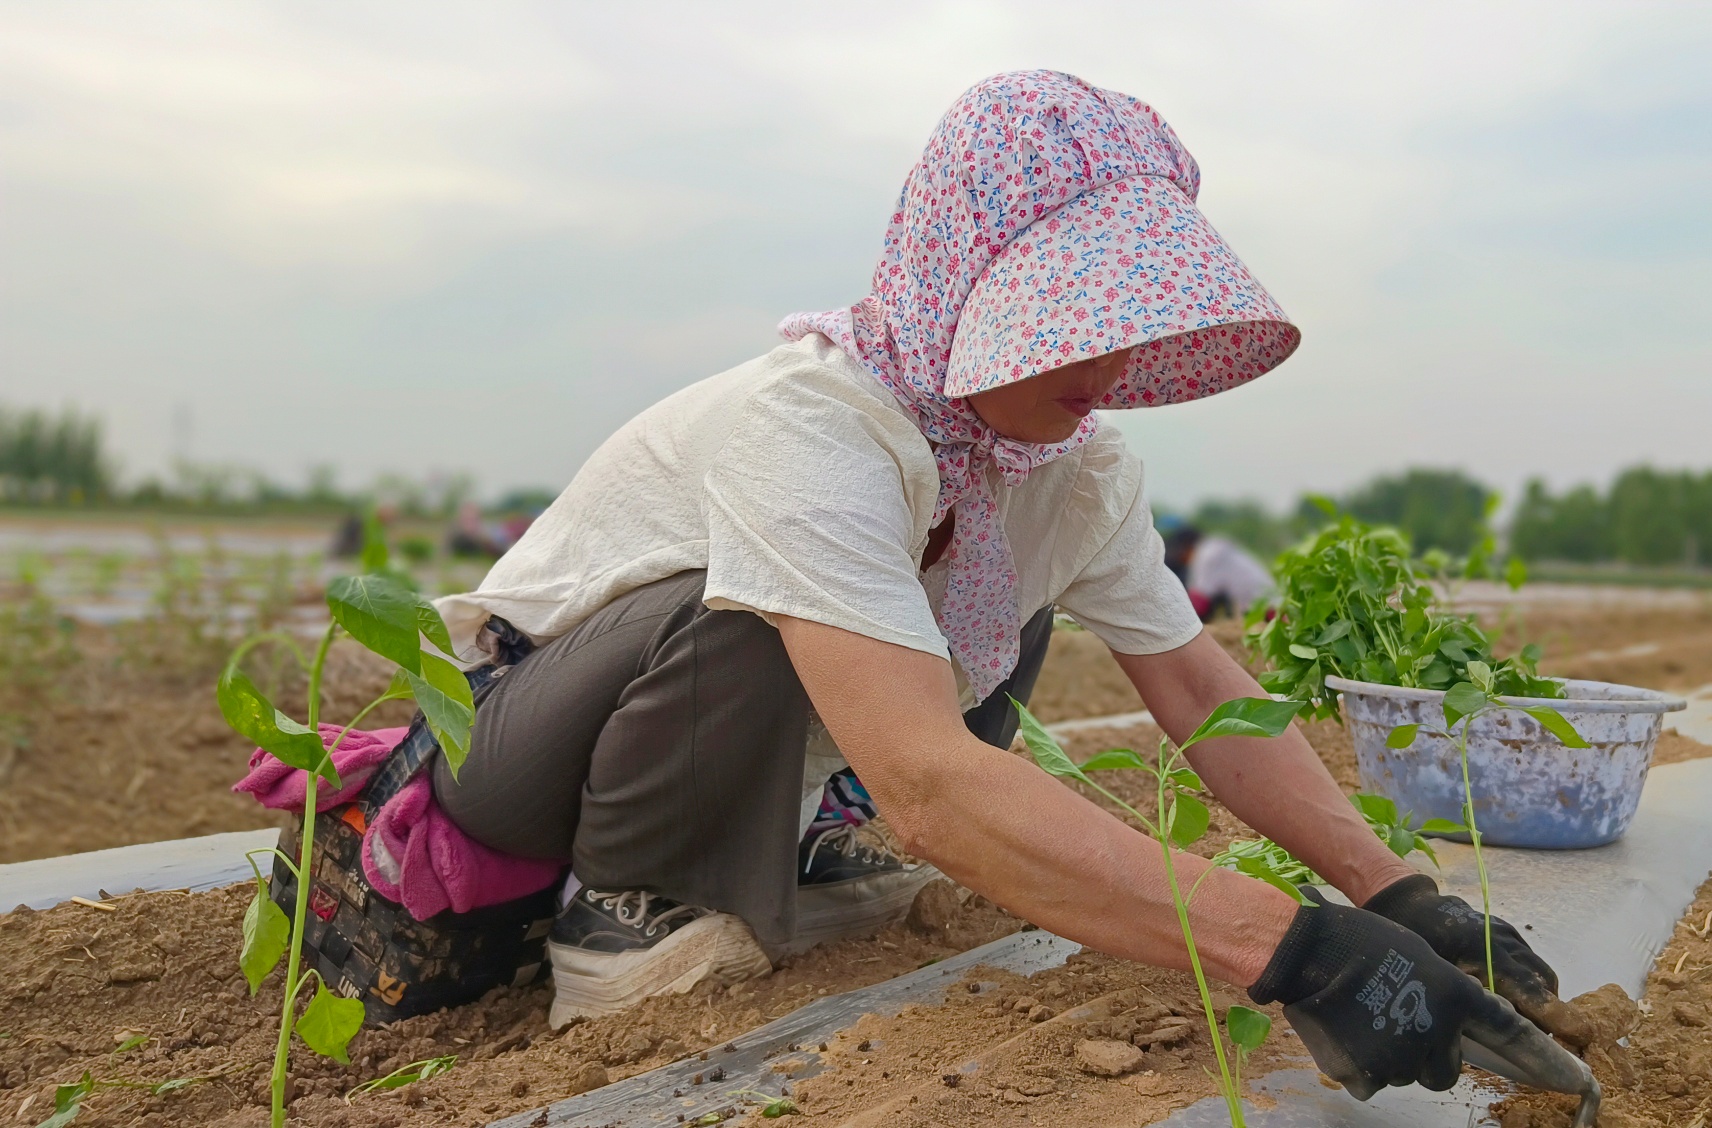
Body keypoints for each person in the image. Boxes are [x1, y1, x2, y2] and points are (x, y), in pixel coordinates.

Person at [429, 72, 1575, 1096]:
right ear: (960, 280)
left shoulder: (1069, 476)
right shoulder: (811, 424)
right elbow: (927, 783)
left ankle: (801, 850)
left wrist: (1394, 896)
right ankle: (625, 910)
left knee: (999, 597)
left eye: (1125, 321)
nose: (1111, 366)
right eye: (1072, 318)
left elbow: (1195, 687)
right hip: (511, 749)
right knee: (750, 614)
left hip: (706, 735)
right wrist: (1294, 951)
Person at [1160, 518, 1276, 622]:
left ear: (1187, 547)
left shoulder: (1206, 556)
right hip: (1266, 604)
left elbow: (1199, 603)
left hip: (1267, 612)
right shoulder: (1214, 549)